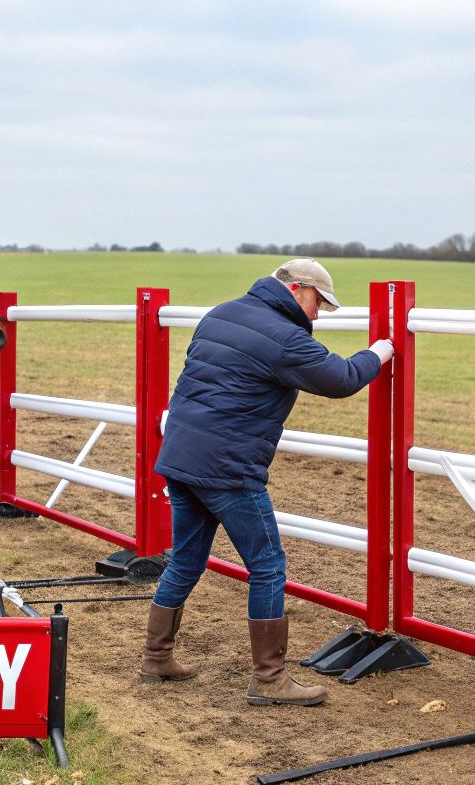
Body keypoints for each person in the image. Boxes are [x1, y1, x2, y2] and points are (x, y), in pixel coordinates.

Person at [138, 258, 394, 706]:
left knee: (186, 559)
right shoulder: (284, 337)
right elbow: (342, 379)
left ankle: (156, 657)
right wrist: (382, 351)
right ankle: (269, 677)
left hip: (180, 455)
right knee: (268, 565)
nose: (318, 314)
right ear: (297, 290)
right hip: (229, 469)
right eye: (318, 302)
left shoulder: (220, 313)